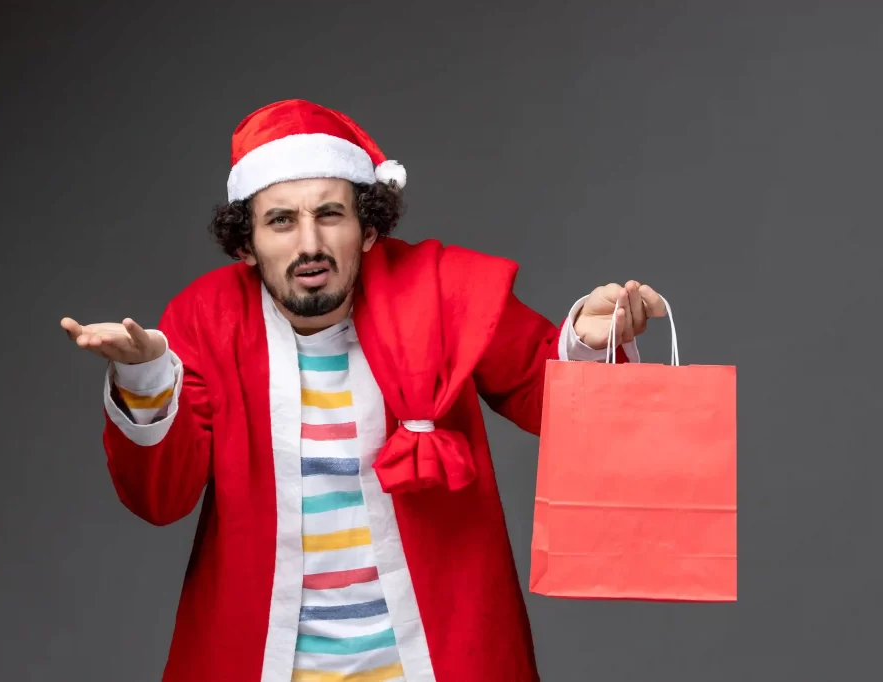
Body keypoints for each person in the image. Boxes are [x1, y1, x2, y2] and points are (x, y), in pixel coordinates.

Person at [61, 99, 667, 682]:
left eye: (329, 214)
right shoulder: (204, 318)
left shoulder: (441, 289)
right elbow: (160, 498)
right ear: (246, 244)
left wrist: (590, 341)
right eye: (281, 220)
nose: (309, 245)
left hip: (437, 655)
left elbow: (545, 390)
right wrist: (143, 379)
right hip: (265, 660)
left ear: (368, 229)